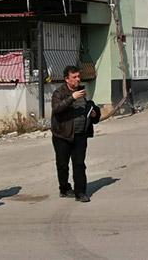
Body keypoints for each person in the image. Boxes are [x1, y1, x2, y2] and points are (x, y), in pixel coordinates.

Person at [51, 66, 101, 202]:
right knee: (62, 164)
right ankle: (64, 188)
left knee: (79, 164)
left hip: (80, 135)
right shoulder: (59, 93)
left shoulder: (82, 91)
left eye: (79, 76)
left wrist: (95, 113)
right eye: (74, 77)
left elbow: (90, 107)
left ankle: (81, 192)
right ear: (67, 79)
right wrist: (72, 98)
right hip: (62, 135)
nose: (78, 79)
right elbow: (57, 109)